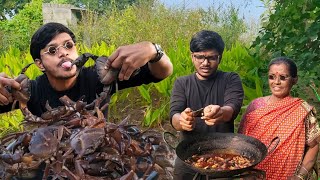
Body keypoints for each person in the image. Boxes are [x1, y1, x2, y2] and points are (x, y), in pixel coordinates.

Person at [0, 22, 173, 117]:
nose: (63, 53)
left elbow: (162, 72)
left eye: (68, 45)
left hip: (98, 154)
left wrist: (154, 51)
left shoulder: (99, 77)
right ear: (40, 64)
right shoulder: (30, 91)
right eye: (52, 50)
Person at [170, 30, 244, 179]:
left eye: (211, 58)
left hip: (225, 157)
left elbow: (232, 107)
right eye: (200, 57)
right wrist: (182, 120)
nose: (205, 63)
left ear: (220, 58)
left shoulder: (230, 79)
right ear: (192, 57)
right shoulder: (182, 83)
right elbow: (174, 115)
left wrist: (220, 112)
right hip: (188, 155)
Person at [238, 57, 320, 180]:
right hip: (254, 175)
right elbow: (241, 141)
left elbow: (314, 145)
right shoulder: (256, 106)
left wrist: (300, 176)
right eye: (272, 77)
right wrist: (244, 170)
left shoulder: (302, 110)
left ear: (294, 80)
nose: (276, 82)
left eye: (283, 77)